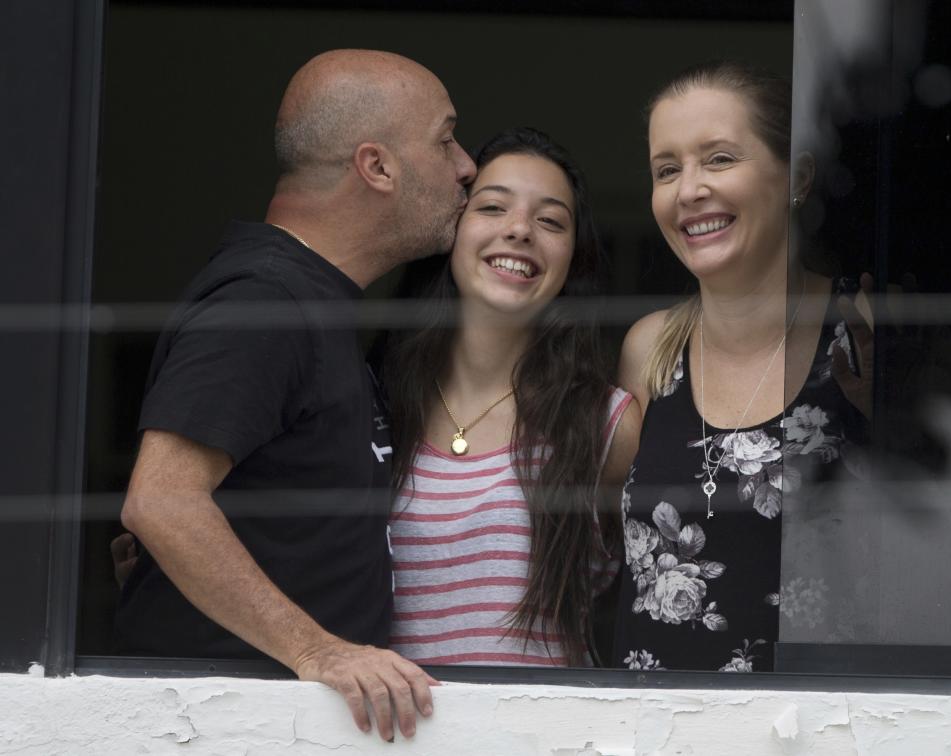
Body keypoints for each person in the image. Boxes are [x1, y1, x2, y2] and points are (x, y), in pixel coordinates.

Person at [114, 49, 476, 742]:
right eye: (445, 138)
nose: (465, 164)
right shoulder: (265, 303)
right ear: (377, 167)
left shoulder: (312, 303)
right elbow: (161, 501)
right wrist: (320, 651)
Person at [612, 61, 872, 673]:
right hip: (650, 728)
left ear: (797, 179)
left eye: (720, 159)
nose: (688, 190)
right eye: (666, 170)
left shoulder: (861, 331)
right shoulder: (650, 348)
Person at [383, 127, 641, 667]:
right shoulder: (375, 403)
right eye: (493, 207)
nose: (520, 230)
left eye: (550, 221)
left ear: (574, 258)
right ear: (451, 229)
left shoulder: (607, 422)